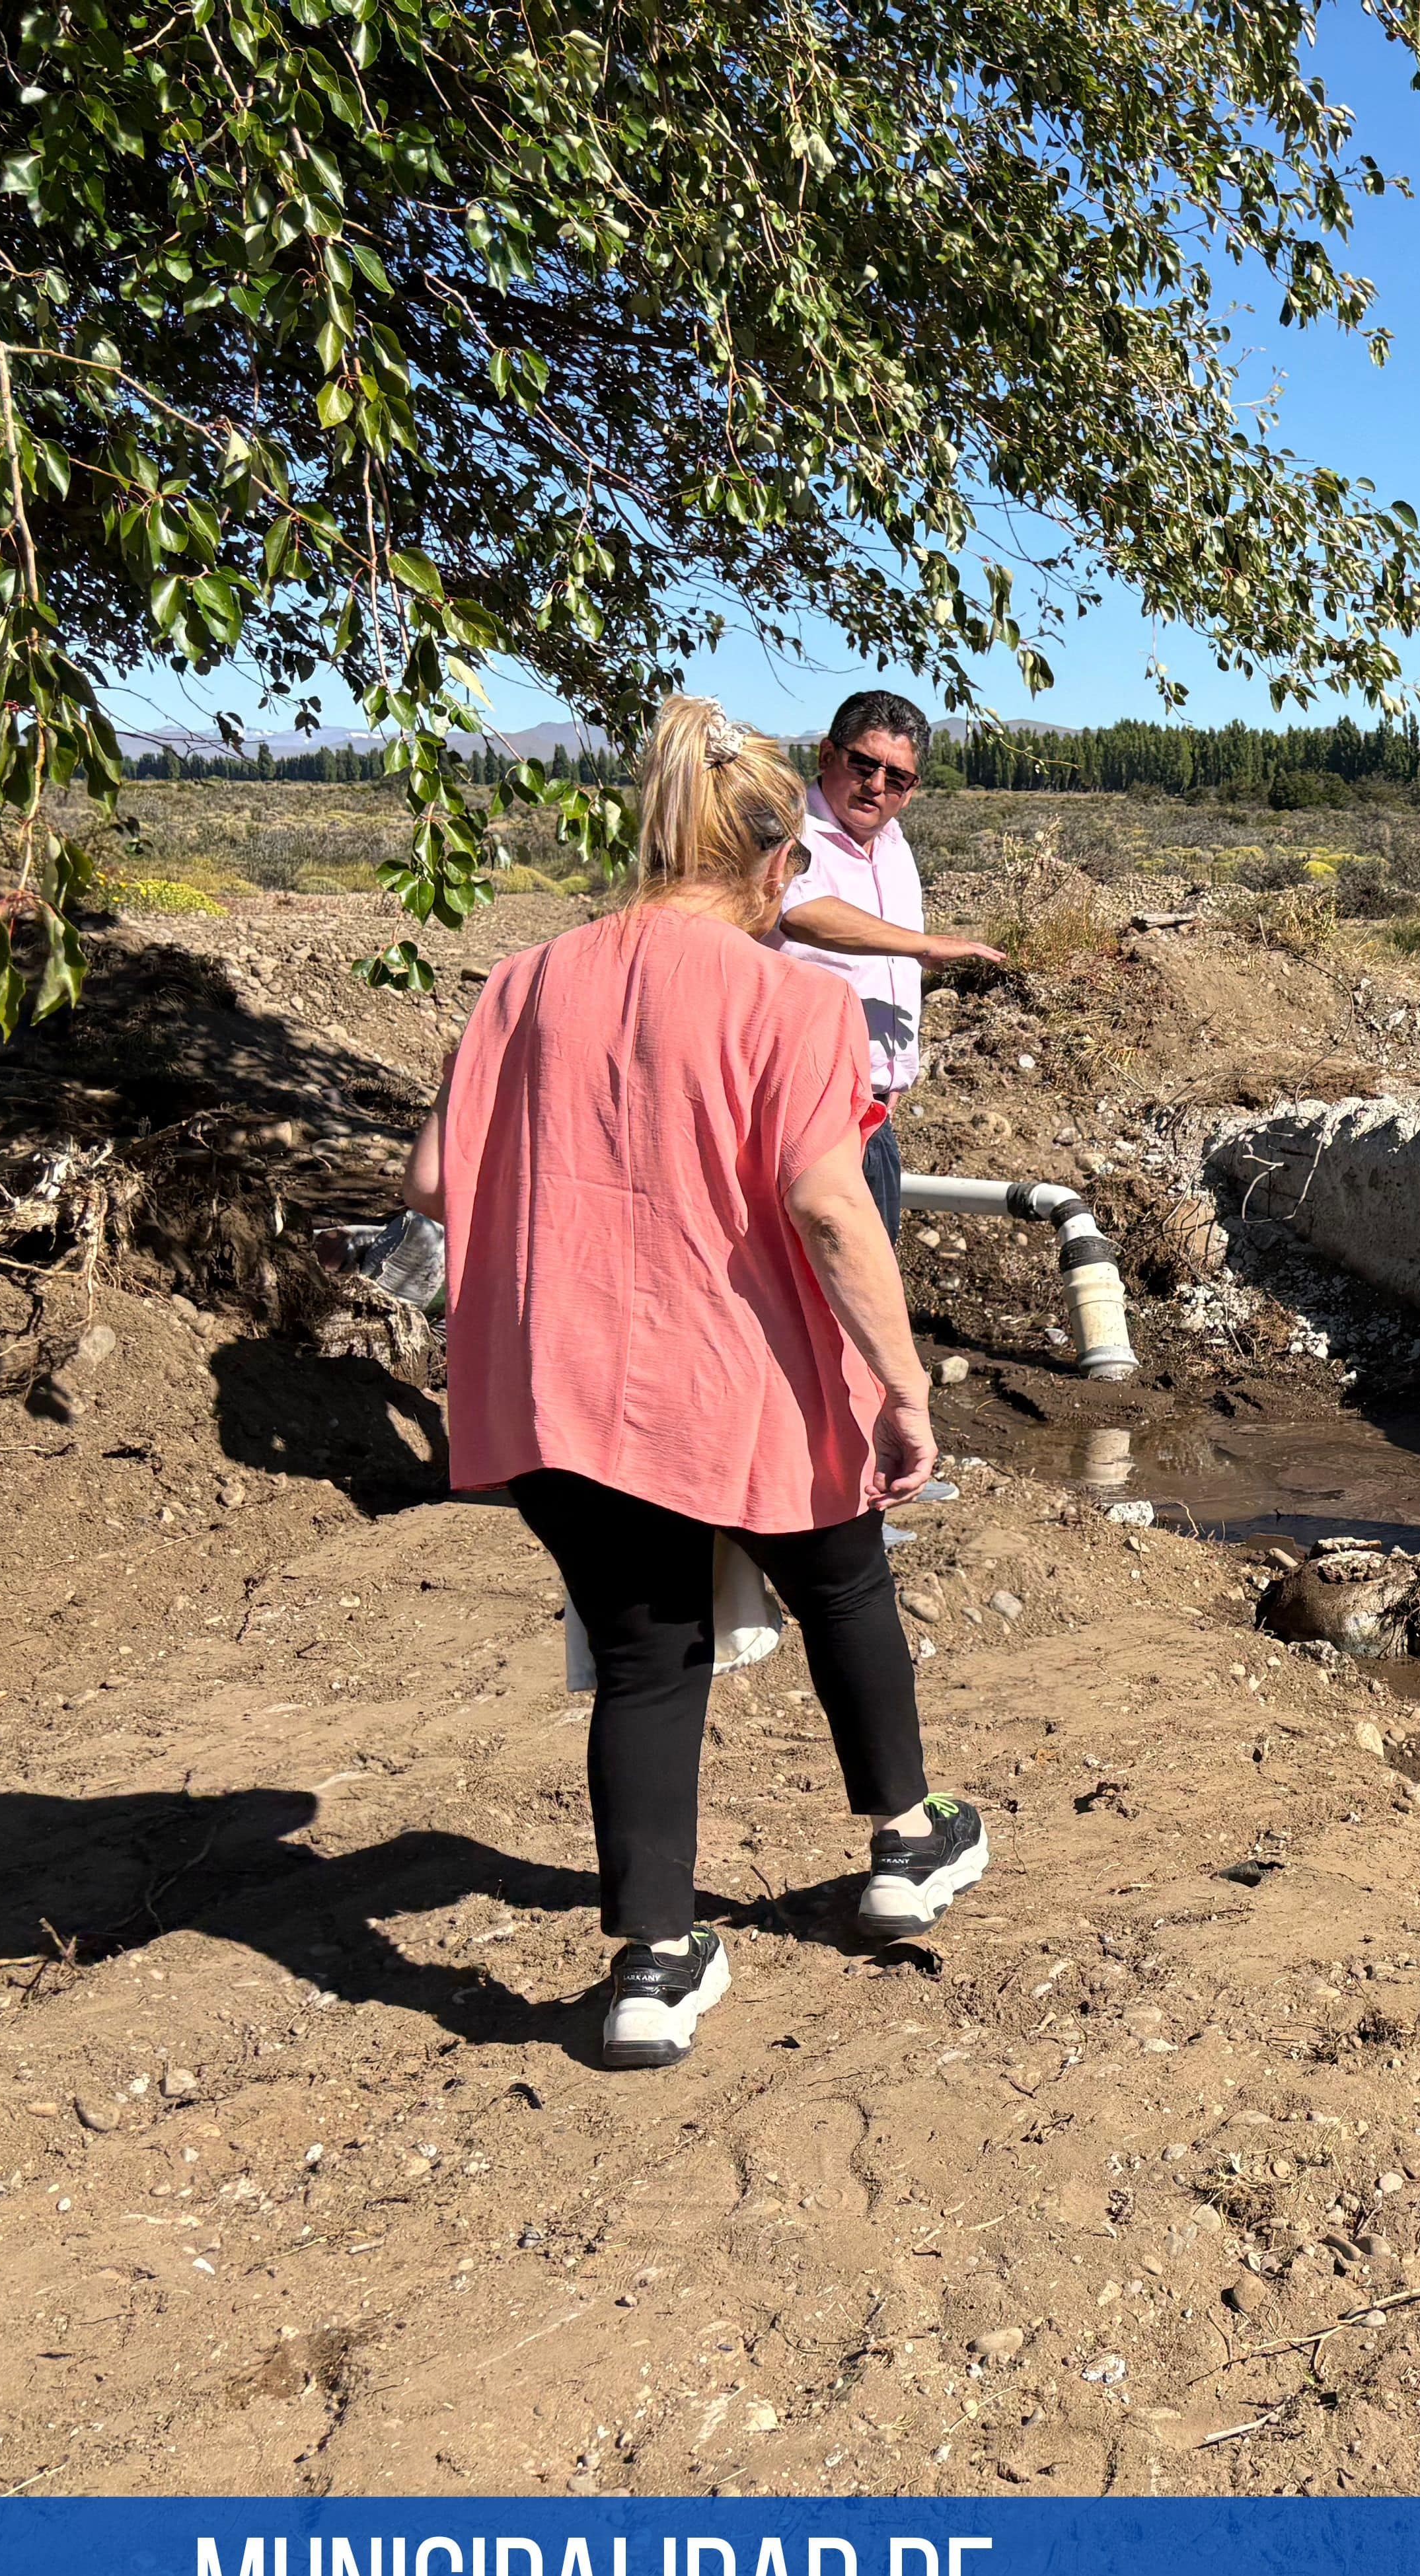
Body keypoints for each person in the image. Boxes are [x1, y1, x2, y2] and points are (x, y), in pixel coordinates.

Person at [404, 696, 992, 2071]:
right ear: (780, 867)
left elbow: (431, 1182)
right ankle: (907, 1847)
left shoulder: (518, 981)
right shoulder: (792, 998)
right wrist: (903, 1387)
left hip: (552, 1389)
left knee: (644, 1657)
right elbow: (830, 1210)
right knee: (843, 1578)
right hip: (736, 1379)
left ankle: (653, 1971)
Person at [774, 688, 1008, 1239]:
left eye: (897, 777)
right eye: (864, 764)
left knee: (860, 1275)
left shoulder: (894, 842)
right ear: (828, 756)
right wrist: (922, 946)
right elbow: (800, 914)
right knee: (842, 1282)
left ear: (912, 789)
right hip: (806, 1102)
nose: (876, 786)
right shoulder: (788, 831)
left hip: (871, 1106)